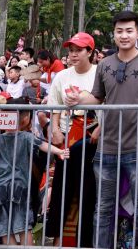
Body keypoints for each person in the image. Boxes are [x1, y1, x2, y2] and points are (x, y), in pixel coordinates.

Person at [64, 10, 138, 249]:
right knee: (103, 209)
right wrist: (77, 100)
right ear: (113, 34)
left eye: (129, 31)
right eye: (119, 31)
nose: (124, 35)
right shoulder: (104, 65)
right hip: (107, 148)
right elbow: (96, 98)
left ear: (137, 33)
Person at [0, 99, 68, 246]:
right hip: (20, 187)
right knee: (23, 227)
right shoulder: (26, 137)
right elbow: (42, 144)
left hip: (0, 189)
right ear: (24, 119)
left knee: (5, 229)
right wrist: (60, 151)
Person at [45, 32, 99, 247]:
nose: (74, 55)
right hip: (68, 137)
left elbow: (108, 102)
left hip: (92, 137)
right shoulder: (62, 76)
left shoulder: (99, 73)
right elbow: (54, 104)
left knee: (89, 192)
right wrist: (55, 129)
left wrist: (101, 129)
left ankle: (85, 242)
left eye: (79, 50)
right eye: (71, 51)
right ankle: (56, 240)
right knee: (61, 188)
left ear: (90, 52)